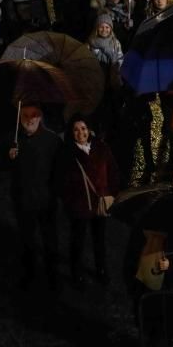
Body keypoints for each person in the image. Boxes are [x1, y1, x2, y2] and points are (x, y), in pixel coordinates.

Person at [57, 115, 119, 288]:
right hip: (79, 207)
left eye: (83, 128)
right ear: (71, 133)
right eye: (76, 129)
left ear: (89, 130)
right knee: (78, 241)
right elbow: (61, 181)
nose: (81, 132)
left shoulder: (101, 148)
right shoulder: (67, 153)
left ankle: (101, 270)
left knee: (99, 240)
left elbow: (113, 171)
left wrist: (112, 194)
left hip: (100, 203)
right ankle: (76, 273)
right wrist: (69, 201)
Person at [8, 104, 62, 289]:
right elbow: (1, 165)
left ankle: (52, 275)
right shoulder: (15, 140)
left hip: (45, 201)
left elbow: (61, 169)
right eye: (25, 115)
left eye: (34, 115)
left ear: (40, 117)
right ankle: (28, 273)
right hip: (23, 201)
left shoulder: (52, 140)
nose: (30, 119)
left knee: (49, 240)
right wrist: (9, 157)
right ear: (20, 117)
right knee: (27, 239)